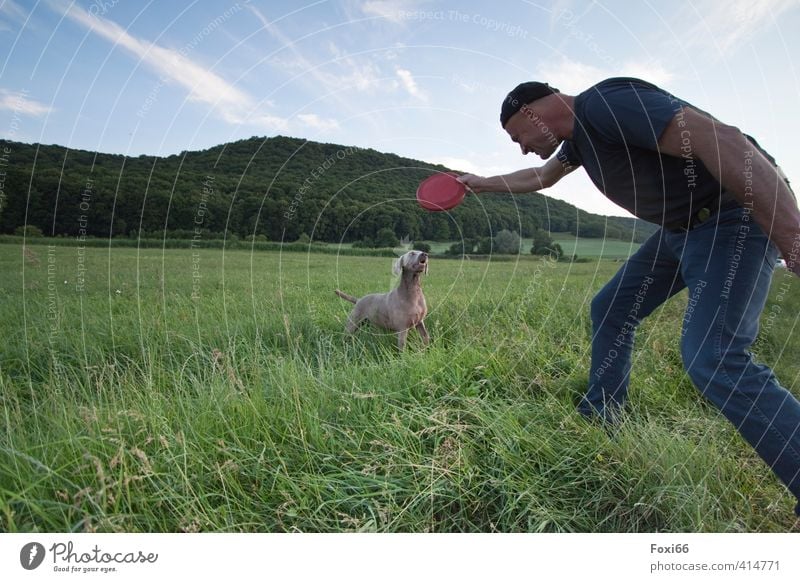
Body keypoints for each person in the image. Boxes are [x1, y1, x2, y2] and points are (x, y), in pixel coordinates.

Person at [458, 77, 800, 516]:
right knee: (611, 308)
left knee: (713, 357)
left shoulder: (606, 103)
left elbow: (725, 140)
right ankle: (603, 415)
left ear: (531, 112)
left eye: (515, 136)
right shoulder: (580, 142)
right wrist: (481, 184)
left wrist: (790, 236)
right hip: (681, 231)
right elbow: (541, 177)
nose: (521, 147)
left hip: (729, 221)